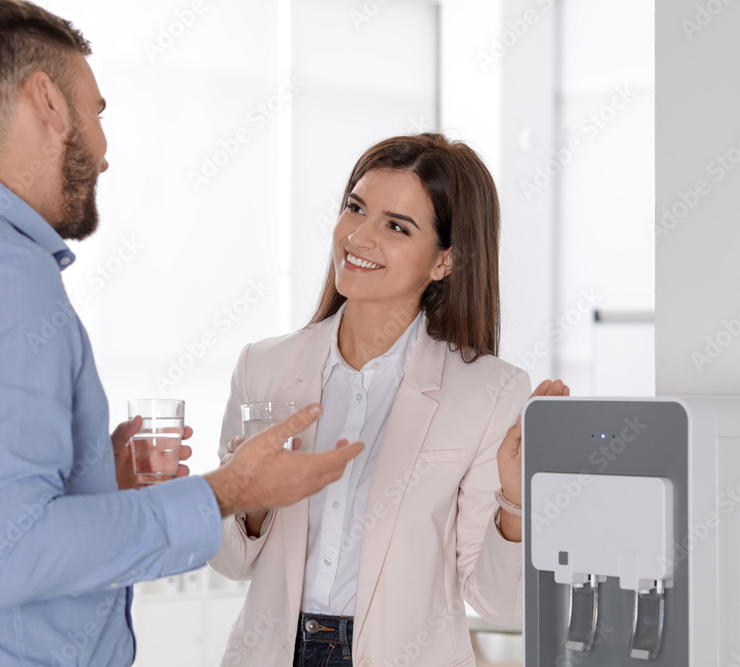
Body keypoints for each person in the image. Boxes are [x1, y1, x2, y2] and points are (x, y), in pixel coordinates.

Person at [0, 2, 362, 665]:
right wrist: (232, 489)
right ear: (47, 101)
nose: (105, 153)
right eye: (97, 111)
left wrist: (87, 482)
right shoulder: (6, 276)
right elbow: (15, 553)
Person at [209, 133, 570, 666]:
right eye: (355, 208)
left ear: (444, 261)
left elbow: (497, 602)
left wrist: (516, 501)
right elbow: (231, 560)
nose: (359, 236)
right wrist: (253, 498)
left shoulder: (489, 391)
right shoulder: (262, 367)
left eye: (396, 226)